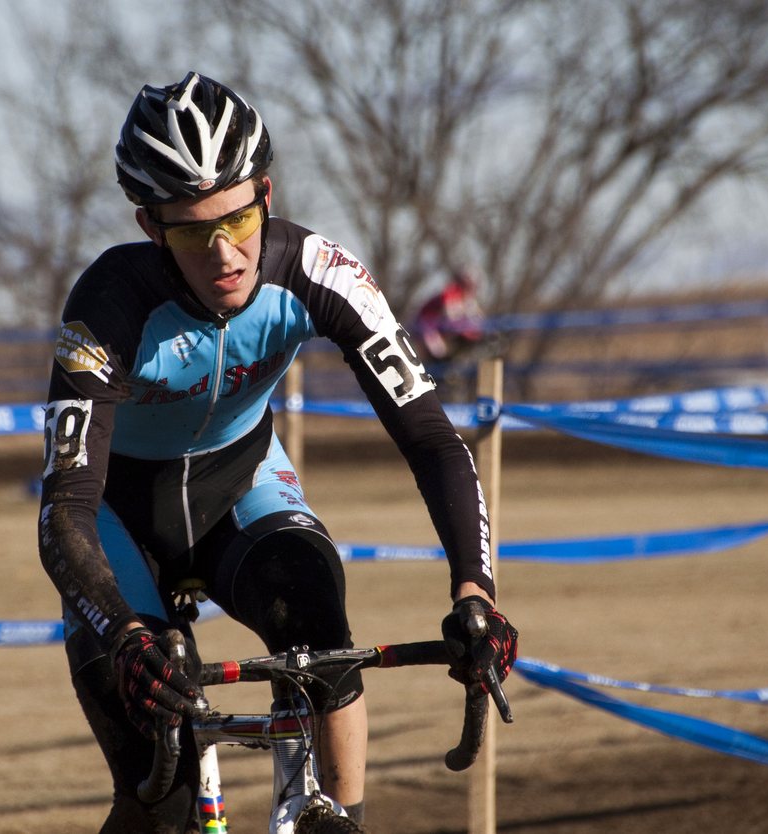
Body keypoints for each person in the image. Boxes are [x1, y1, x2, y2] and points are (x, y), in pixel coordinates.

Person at [38, 71, 518, 832]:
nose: (226, 253)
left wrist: (475, 595)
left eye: (241, 218)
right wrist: (128, 637)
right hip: (118, 524)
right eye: (195, 231)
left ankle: (341, 818)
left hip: (244, 488)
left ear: (266, 192)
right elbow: (64, 506)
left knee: (323, 636)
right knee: (159, 802)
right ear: (150, 225)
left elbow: (430, 437)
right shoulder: (106, 307)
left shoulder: (317, 270)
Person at [412, 266, 487, 364]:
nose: (471, 289)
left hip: (440, 329)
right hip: (427, 326)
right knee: (437, 355)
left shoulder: (468, 298)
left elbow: (478, 318)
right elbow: (451, 316)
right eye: (468, 285)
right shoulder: (451, 292)